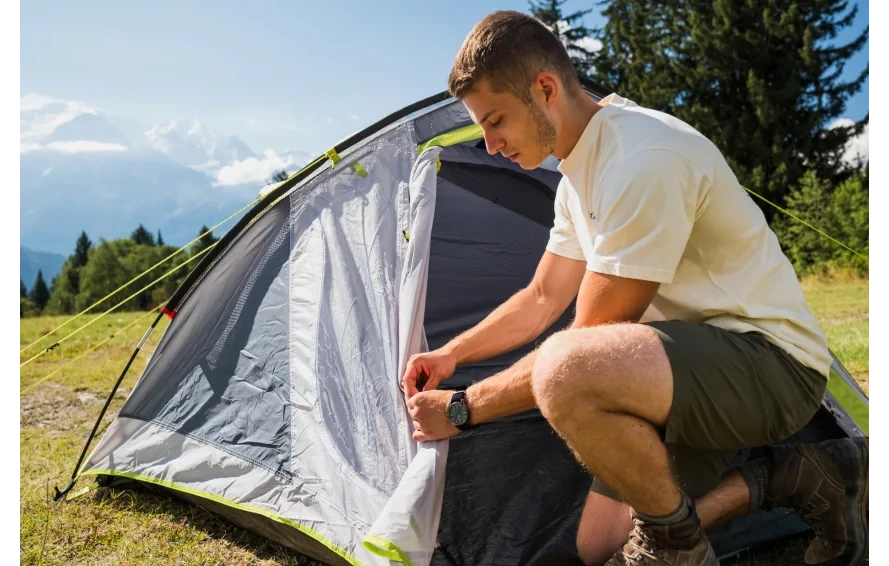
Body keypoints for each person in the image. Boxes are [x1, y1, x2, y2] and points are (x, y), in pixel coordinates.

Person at [400, 10, 871, 566]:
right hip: (678, 366)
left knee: (567, 368)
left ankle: (679, 549)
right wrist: (452, 355)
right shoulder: (576, 176)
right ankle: (806, 476)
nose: (491, 144)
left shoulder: (642, 157)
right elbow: (542, 297)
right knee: (598, 544)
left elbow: (587, 343)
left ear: (545, 89)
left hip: (771, 365)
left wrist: (462, 409)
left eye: (496, 119)